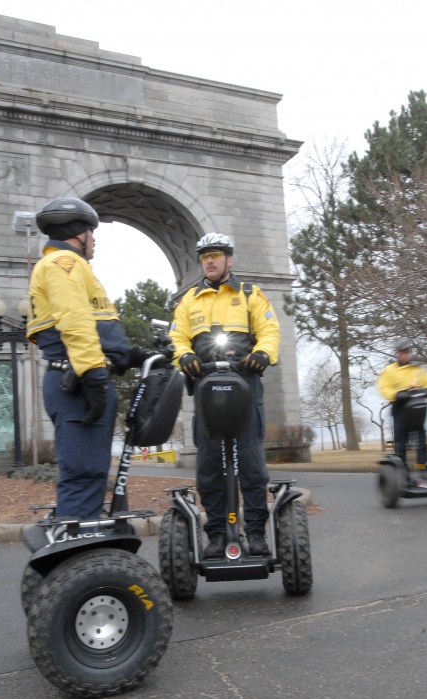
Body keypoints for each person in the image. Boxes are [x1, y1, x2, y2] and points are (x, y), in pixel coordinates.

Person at [27, 197, 151, 519]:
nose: (94, 240)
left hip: (79, 376)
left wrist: (133, 356)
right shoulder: (63, 265)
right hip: (79, 382)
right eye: (92, 232)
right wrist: (95, 377)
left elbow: (96, 331)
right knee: (83, 474)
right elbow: (75, 323)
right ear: (78, 232)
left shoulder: (68, 267)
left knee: (91, 473)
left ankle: (82, 549)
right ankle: (78, 557)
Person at [169, 232, 280, 558]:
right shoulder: (189, 300)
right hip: (206, 390)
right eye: (205, 256)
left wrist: (263, 354)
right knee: (208, 464)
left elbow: (270, 330)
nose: (210, 261)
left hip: (245, 385)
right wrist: (184, 357)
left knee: (251, 463)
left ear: (229, 259)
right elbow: (177, 338)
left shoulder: (250, 294)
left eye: (216, 255)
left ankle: (257, 533)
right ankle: (217, 535)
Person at [377, 338, 427, 485]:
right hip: (400, 412)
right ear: (397, 354)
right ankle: (404, 476)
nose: (405, 355)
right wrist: (397, 395)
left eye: (407, 352)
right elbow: (384, 388)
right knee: (401, 445)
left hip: (417, 413)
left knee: (421, 445)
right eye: (402, 352)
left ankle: (423, 472)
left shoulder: (418, 370)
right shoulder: (390, 370)